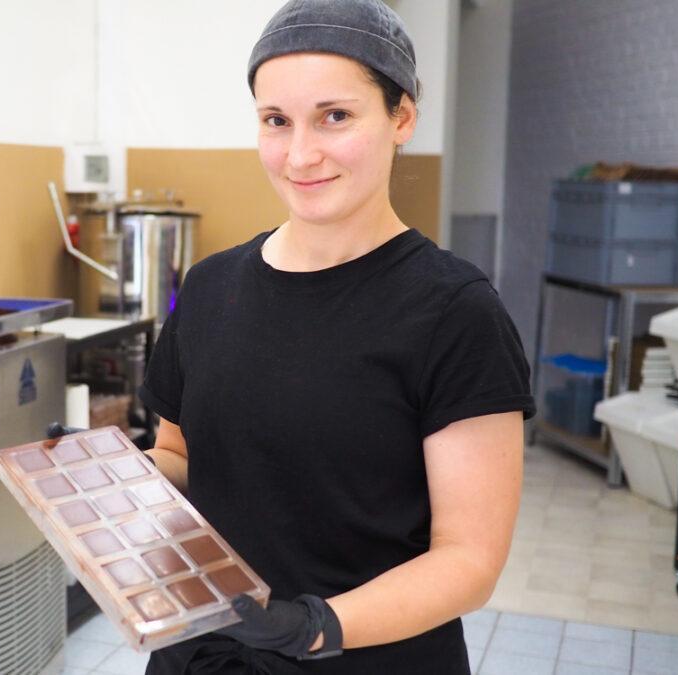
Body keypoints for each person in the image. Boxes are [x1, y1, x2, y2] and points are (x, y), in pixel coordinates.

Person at [138, 1, 535, 673]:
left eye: (335, 116)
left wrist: (316, 624)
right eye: (276, 121)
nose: (300, 154)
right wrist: (103, 488)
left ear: (402, 116)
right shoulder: (209, 287)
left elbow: (468, 558)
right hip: (201, 657)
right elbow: (179, 454)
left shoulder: (455, 312)